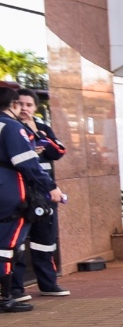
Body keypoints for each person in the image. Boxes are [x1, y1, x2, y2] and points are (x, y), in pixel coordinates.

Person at [0, 86, 67, 313]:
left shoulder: (39, 128)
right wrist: (51, 187)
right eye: (20, 104)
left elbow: (58, 150)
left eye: (29, 105)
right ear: (13, 105)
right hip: (12, 192)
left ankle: (16, 290)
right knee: (7, 245)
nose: (23, 108)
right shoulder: (12, 127)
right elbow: (26, 163)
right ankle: (6, 296)